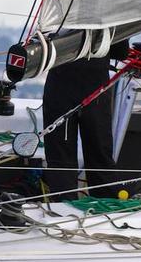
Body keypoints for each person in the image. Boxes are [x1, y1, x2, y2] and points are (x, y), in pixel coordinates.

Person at [41, 39, 130, 200]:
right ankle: (106, 205)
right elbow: (121, 52)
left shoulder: (61, 16)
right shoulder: (108, 18)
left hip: (60, 86)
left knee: (61, 157)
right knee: (99, 154)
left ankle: (62, 209)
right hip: (95, 89)